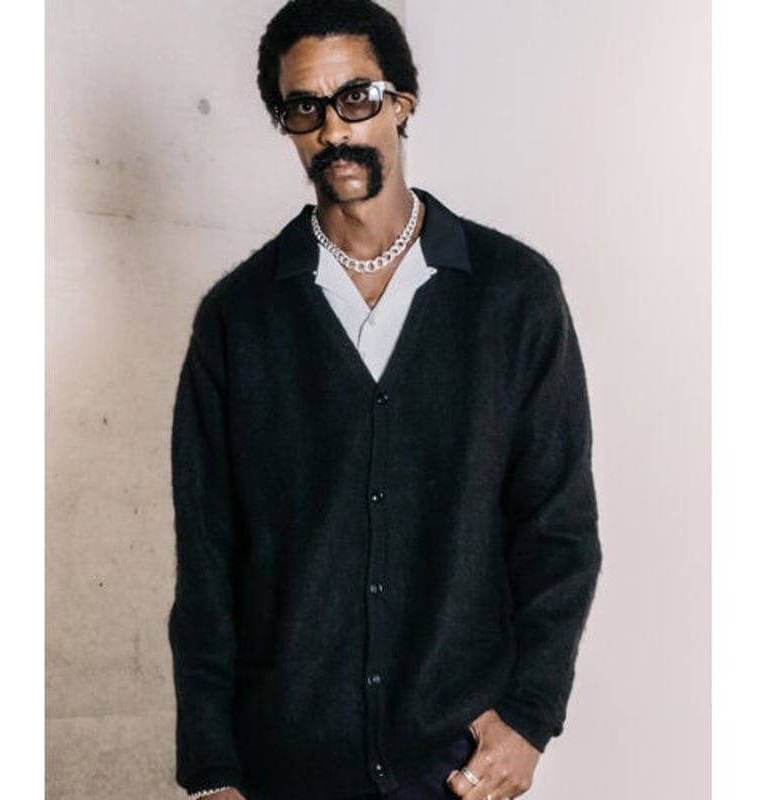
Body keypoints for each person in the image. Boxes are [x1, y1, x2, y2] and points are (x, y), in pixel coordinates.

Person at [168, 1, 602, 799]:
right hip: (283, 767)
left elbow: (558, 529)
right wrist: (211, 770)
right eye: (305, 107)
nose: (334, 129)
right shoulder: (238, 319)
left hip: (456, 768)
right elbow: (208, 562)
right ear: (285, 125)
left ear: (402, 102)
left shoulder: (514, 296)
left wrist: (530, 716)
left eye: (357, 98)